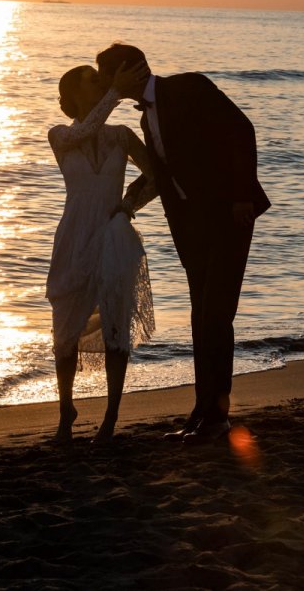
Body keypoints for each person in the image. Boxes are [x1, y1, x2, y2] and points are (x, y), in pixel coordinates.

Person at [96, 44, 271, 444]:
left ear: (125, 70)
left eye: (106, 74)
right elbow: (163, 175)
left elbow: (241, 129)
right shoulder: (146, 120)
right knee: (199, 318)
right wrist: (124, 206)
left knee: (215, 317)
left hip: (230, 218)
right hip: (193, 229)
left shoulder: (187, 87)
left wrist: (243, 194)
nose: (106, 83)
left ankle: (217, 418)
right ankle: (202, 410)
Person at [46, 61, 156, 444]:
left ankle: (110, 418)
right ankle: (66, 411)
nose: (102, 83)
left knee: (114, 330)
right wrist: (115, 93)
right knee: (64, 334)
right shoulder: (59, 135)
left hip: (113, 239)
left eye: (102, 80)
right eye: (93, 81)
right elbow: (87, 128)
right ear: (72, 96)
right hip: (74, 239)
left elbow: (158, 173)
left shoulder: (122, 136)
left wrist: (128, 206)